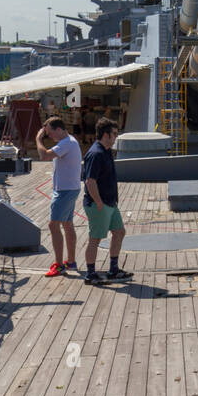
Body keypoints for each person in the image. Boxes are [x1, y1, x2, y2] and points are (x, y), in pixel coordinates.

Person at [82, 117, 132, 285]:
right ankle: (90, 274)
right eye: (114, 134)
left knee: (119, 232)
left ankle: (113, 269)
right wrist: (98, 203)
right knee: (95, 239)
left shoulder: (106, 150)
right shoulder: (96, 153)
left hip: (110, 203)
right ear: (105, 135)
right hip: (99, 204)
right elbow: (90, 181)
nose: (116, 137)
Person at [36, 117, 81, 277]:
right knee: (67, 224)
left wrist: (38, 138)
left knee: (53, 226)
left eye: (50, 133)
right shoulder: (70, 141)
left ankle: (60, 264)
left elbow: (44, 156)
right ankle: (71, 261)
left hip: (64, 191)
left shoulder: (66, 143)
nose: (50, 137)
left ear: (59, 129)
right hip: (70, 189)